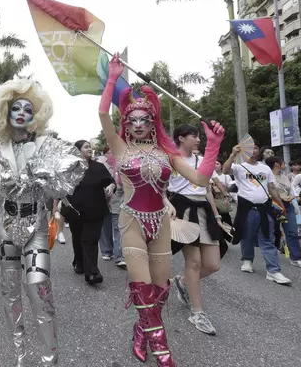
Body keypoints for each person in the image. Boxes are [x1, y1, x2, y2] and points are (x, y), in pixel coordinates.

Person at [99, 54, 224, 367]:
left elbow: (200, 178)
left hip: (161, 225)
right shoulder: (119, 148)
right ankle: (163, 354)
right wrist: (113, 77)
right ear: (125, 123)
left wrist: (213, 145)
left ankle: (142, 330)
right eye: (132, 120)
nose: (138, 124)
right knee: (142, 290)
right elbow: (103, 114)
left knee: (160, 290)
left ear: (152, 122)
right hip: (131, 222)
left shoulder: (167, 153)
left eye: (144, 119)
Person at [0, 79, 85, 365]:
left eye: (27, 108)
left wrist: (42, 172)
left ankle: (48, 359)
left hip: (36, 227)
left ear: (36, 114)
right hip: (6, 226)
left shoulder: (46, 146)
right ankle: (19, 356)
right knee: (9, 292)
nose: (20, 112)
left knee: (39, 289)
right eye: (14, 107)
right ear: (5, 113)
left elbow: (71, 174)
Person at [167, 124, 226, 336]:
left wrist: (217, 216)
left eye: (199, 136)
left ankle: (181, 281)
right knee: (194, 262)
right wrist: (166, 203)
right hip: (182, 208)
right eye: (194, 135)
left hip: (204, 211)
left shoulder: (202, 161)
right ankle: (197, 312)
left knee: (213, 265)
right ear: (181, 138)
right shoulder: (171, 158)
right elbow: (160, 185)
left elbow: (207, 188)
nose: (198, 139)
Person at [222, 144, 291, 285]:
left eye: (256, 148)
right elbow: (225, 170)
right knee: (247, 235)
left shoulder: (265, 168)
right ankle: (247, 259)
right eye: (250, 148)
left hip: (265, 209)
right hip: (247, 208)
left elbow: (271, 187)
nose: (253, 150)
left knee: (268, 237)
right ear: (244, 150)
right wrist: (232, 155)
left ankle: (273, 271)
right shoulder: (239, 166)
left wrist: (281, 205)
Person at [65, 140, 114, 285]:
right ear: (78, 151)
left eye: (90, 147)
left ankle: (92, 273)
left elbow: (110, 181)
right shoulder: (69, 168)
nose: (90, 149)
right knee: (78, 239)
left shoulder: (98, 167)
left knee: (90, 240)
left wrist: (111, 186)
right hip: (75, 210)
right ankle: (78, 262)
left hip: (95, 210)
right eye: (86, 147)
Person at [266, 156, 301, 269]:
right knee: (272, 233)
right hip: (273, 206)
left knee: (292, 232)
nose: (286, 165)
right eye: (283, 163)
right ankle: (272, 260)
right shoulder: (268, 176)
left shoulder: (284, 177)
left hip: (288, 206)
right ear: (277, 164)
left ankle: (296, 258)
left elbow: (290, 189)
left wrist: (293, 197)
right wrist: (279, 198)